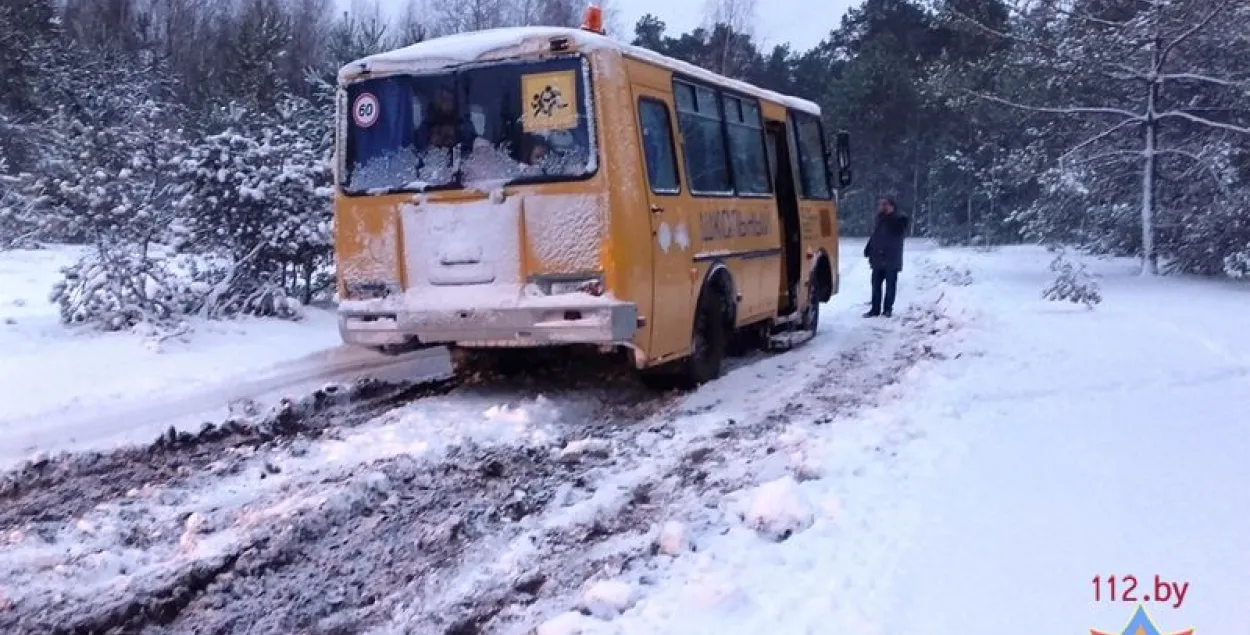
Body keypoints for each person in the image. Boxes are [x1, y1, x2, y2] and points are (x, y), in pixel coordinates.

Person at [863, 197, 909, 318]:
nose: (882, 207)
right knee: (875, 285)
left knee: (890, 286)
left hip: (891, 259)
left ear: (892, 206)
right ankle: (875, 309)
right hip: (878, 258)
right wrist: (868, 247)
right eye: (881, 204)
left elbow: (898, 230)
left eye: (885, 204)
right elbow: (876, 235)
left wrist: (890, 216)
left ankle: (887, 309)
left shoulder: (900, 219)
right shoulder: (880, 219)